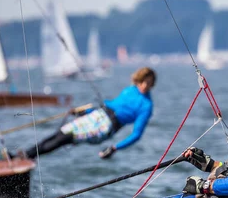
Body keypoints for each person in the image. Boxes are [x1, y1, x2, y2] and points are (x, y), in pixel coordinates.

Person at [23, 67, 156, 160]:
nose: (144, 85)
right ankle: (24, 155)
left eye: (149, 83)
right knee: (60, 133)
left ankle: (29, 156)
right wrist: (84, 112)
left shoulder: (146, 106)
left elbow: (136, 135)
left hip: (106, 127)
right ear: (138, 79)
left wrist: (114, 148)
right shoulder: (130, 90)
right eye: (143, 81)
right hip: (98, 115)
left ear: (152, 85)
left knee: (64, 139)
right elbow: (112, 106)